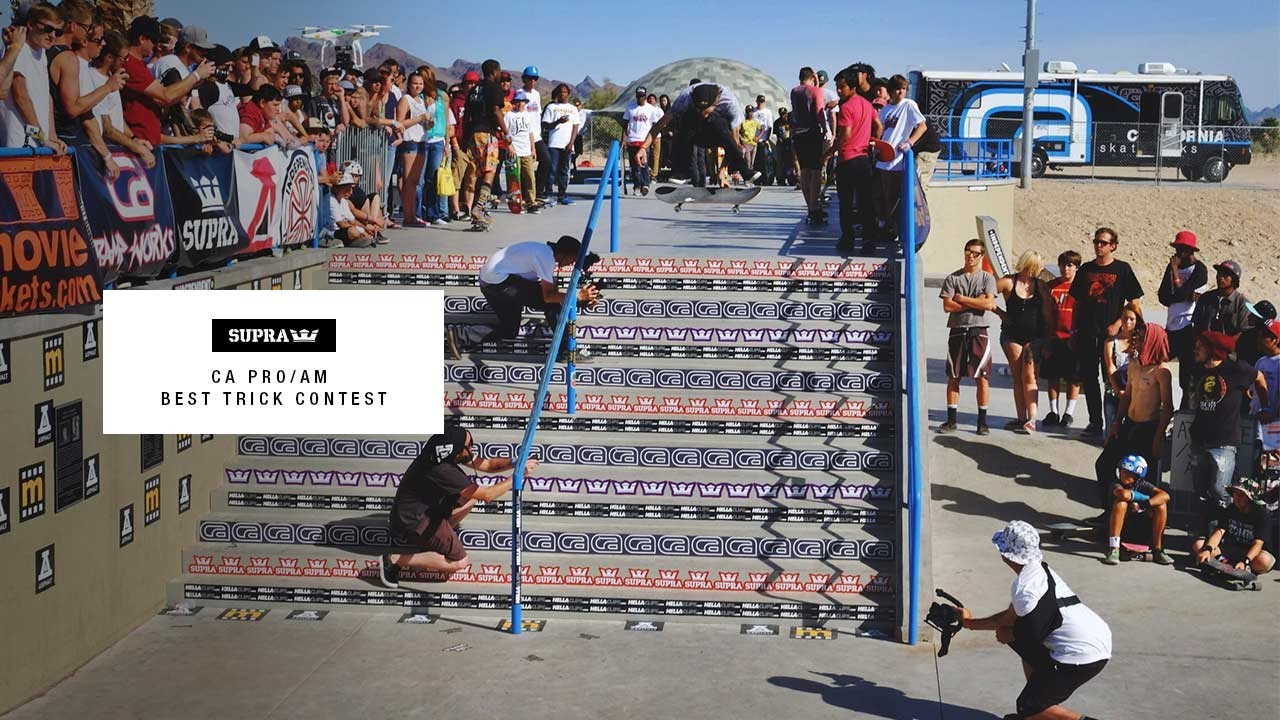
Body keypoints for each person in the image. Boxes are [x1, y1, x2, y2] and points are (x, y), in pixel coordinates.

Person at [961, 521, 1111, 720]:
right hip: (1099, 637)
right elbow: (1007, 619)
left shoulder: (1025, 588)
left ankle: (1036, 712)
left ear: (1006, 555)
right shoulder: (1040, 570)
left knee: (1028, 706)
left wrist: (1008, 633)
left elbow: (1021, 630)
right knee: (1017, 642)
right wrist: (969, 623)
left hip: (1082, 655)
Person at [379, 426, 538, 587]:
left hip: (420, 508)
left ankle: (435, 539)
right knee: (460, 562)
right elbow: (488, 495)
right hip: (413, 521)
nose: (472, 448)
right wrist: (519, 475)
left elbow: (489, 465)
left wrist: (515, 462)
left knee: (469, 498)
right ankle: (394, 560)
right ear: (457, 450)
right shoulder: (442, 470)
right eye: (469, 445)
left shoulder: (442, 452)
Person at [1092, 323, 1173, 526]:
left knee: (1142, 479)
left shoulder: (1162, 372)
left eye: (1143, 336)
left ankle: (1141, 522)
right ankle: (1110, 511)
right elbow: (1127, 397)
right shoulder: (1134, 365)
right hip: (1129, 424)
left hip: (1148, 429)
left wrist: (1158, 437)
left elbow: (1167, 407)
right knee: (1104, 465)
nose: (1137, 338)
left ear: (1153, 340)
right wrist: (1117, 422)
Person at [1069, 227, 1144, 436]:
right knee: (1089, 378)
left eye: (1103, 242)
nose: (1098, 246)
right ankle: (1095, 422)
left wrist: (1119, 324)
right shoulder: (1085, 270)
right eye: (1096, 242)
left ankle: (1114, 422)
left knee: (1112, 378)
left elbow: (1135, 301)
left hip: (1111, 334)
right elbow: (1076, 302)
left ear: (1113, 246)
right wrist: (1074, 330)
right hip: (1086, 332)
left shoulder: (1122, 269)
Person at [1188, 331, 1269, 515]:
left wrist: (1264, 406)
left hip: (1224, 441)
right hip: (1199, 437)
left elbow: (1259, 378)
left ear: (1212, 349)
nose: (1196, 349)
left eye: (1200, 346)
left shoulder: (1236, 369)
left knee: (1220, 489)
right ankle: (1203, 527)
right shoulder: (1199, 369)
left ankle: (1224, 527)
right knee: (1200, 488)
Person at [476, 236, 600, 352]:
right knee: (552, 304)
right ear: (564, 254)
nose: (571, 264)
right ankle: (567, 348)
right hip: (499, 283)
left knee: (509, 330)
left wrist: (579, 302)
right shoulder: (546, 257)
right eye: (573, 259)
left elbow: (547, 290)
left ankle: (460, 335)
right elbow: (548, 297)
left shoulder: (542, 252)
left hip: (489, 284)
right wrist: (578, 297)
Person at [639, 81, 759, 187]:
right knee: (686, 118)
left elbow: (733, 143)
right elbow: (659, 125)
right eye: (700, 110)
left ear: (716, 102)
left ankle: (746, 171)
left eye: (706, 111)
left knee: (720, 123)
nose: (703, 114)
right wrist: (643, 147)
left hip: (719, 133)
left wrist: (722, 170)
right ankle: (684, 172)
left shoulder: (730, 103)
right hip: (697, 134)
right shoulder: (685, 98)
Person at [120, 16, 213, 148]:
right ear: (141, 39)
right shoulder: (132, 64)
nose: (156, 44)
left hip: (150, 142)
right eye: (153, 40)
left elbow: (162, 101)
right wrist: (196, 76)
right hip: (139, 144)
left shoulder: (139, 65)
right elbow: (166, 96)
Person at [940, 239, 998, 435]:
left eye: (974, 253)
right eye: (967, 252)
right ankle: (951, 420)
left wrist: (962, 299)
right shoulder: (953, 278)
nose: (970, 256)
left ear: (982, 256)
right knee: (953, 376)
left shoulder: (987, 279)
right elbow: (948, 306)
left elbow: (989, 304)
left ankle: (982, 422)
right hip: (957, 330)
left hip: (978, 331)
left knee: (981, 377)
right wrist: (976, 302)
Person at [822, 67, 880, 255]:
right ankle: (868, 242)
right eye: (837, 87)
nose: (839, 90)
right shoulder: (866, 104)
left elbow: (845, 134)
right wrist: (872, 142)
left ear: (852, 87)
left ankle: (847, 240)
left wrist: (830, 152)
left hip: (847, 161)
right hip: (863, 160)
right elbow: (878, 125)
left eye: (842, 87)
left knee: (846, 204)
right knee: (866, 204)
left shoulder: (846, 108)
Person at [995, 251, 1054, 434]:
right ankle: (1021, 417)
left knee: (1029, 377)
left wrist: (1047, 339)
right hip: (1012, 335)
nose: (1037, 271)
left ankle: (1032, 418)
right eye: (1035, 267)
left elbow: (1048, 315)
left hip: (1035, 338)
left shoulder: (1041, 286)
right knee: (1017, 376)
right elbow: (987, 296)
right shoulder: (1008, 282)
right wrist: (1001, 314)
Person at [1, 4, 64, 152]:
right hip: (19, 144)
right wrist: (43, 138)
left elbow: (46, 96)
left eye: (58, 32)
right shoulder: (19, 49)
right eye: (48, 29)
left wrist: (52, 136)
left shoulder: (41, 52)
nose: (53, 36)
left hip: (40, 143)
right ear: (30, 24)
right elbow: (21, 98)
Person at [875, 75, 928, 244]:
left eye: (903, 88)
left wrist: (910, 142)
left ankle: (894, 230)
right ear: (890, 91)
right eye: (897, 88)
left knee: (896, 198)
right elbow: (881, 132)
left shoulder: (909, 105)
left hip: (898, 162)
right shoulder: (885, 110)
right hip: (884, 160)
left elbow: (922, 125)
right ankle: (885, 226)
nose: (901, 92)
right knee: (883, 196)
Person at [1157, 230, 1208, 395]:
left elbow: (1181, 292)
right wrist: (1182, 294)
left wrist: (1175, 271)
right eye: (1177, 248)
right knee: (1158, 362)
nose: (1178, 253)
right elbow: (1163, 296)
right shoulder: (1171, 268)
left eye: (1182, 249)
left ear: (1190, 250)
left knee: (1187, 373)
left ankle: (1186, 409)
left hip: (1189, 325)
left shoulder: (1199, 269)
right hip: (1172, 325)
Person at [1192, 477, 1276, 577]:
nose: (1236, 497)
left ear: (1250, 498)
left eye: (1241, 495)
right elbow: (1219, 532)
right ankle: (1225, 562)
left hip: (1251, 553)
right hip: (1231, 549)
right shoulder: (1231, 509)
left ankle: (1244, 567)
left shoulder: (1262, 515)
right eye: (1235, 494)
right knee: (1199, 545)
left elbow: (1258, 544)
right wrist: (1208, 549)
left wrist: (1245, 561)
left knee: (1264, 561)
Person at [1102, 454, 1173, 565]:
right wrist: (1146, 498)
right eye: (1123, 471)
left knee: (1161, 505)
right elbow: (1124, 494)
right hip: (1122, 529)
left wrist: (1144, 505)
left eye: (1129, 473)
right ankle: (1114, 549)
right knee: (1121, 503)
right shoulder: (1115, 484)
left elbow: (1165, 496)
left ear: (1137, 476)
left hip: (1141, 529)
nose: (1124, 475)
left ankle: (1157, 550)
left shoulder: (1143, 484)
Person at [464, 59, 508, 224]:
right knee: (490, 171)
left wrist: (465, 137)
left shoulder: (475, 89)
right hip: (487, 134)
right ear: (494, 71)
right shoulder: (494, 88)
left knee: (478, 173)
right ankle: (479, 207)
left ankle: (478, 212)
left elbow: (466, 115)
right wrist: (506, 132)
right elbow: (496, 111)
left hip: (473, 135)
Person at [1042, 251, 1082, 427]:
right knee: (1053, 377)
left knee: (1073, 378)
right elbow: (1044, 314)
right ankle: (1053, 412)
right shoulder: (1050, 287)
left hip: (1073, 339)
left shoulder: (1082, 288)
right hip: (1054, 338)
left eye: (1070, 265)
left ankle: (1068, 413)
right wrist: (1045, 339)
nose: (1066, 269)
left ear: (1076, 267)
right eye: (1063, 265)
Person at [788, 68, 828, 223]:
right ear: (812, 78)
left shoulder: (794, 91)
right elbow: (819, 111)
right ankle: (814, 207)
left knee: (804, 170)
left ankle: (810, 207)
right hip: (812, 132)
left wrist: (814, 82)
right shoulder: (816, 91)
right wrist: (825, 129)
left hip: (798, 134)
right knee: (815, 171)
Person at [394, 72, 434, 227]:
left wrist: (428, 122)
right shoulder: (406, 100)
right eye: (415, 83)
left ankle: (412, 215)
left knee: (415, 181)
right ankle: (408, 216)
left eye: (421, 84)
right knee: (409, 180)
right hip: (410, 141)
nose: (418, 86)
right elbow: (400, 123)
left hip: (422, 140)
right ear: (409, 84)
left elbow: (425, 122)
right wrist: (420, 118)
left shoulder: (422, 101)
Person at [1189, 259, 1252, 341]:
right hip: (1205, 349)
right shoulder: (1205, 298)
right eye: (1219, 273)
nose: (1220, 277)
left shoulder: (1242, 303)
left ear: (1234, 280)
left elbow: (1243, 333)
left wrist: (1224, 345)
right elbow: (1196, 326)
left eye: (1225, 275)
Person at [419, 66, 451, 225]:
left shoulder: (441, 96)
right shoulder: (417, 96)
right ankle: (418, 213)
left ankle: (433, 213)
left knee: (433, 178)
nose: (421, 81)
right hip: (421, 140)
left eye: (423, 78)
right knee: (420, 180)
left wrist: (447, 143)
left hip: (437, 139)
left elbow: (446, 120)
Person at [1101, 306, 1140, 430]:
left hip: (1135, 392)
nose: (1128, 322)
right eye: (1125, 318)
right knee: (1111, 428)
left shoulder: (1140, 342)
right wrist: (1118, 391)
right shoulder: (1110, 342)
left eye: (1132, 319)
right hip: (1114, 390)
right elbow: (1110, 367)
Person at [541, 83, 579, 206]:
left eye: (565, 91)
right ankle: (549, 194)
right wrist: (558, 121)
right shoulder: (551, 107)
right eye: (560, 91)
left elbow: (575, 127)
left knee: (564, 170)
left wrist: (571, 143)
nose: (563, 94)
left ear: (568, 93)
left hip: (567, 144)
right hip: (554, 143)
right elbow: (545, 125)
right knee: (552, 169)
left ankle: (562, 195)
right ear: (557, 93)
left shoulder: (573, 109)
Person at [519, 66, 552, 203]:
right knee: (525, 166)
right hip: (524, 136)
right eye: (530, 78)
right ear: (524, 79)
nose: (532, 81)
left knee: (546, 160)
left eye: (535, 78)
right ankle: (523, 193)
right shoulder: (520, 93)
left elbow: (537, 114)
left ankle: (538, 191)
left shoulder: (536, 94)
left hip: (536, 135)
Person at [622, 86, 662, 195]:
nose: (640, 98)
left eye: (642, 96)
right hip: (632, 140)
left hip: (645, 141)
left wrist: (654, 139)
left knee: (644, 163)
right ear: (636, 96)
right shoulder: (630, 108)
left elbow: (655, 126)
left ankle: (645, 184)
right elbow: (625, 124)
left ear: (645, 96)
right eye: (638, 96)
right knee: (634, 165)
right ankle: (637, 185)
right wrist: (624, 139)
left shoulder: (651, 109)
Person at [504, 90, 538, 212]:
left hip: (526, 151)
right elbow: (505, 133)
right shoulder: (508, 116)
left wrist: (533, 149)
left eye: (522, 102)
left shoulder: (528, 116)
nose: (520, 104)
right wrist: (509, 147)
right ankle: (515, 202)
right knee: (514, 179)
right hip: (514, 151)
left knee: (530, 177)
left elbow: (531, 134)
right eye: (517, 102)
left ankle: (531, 202)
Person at [328, 172, 375, 247]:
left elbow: (353, 221)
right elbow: (341, 224)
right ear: (338, 188)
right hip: (332, 231)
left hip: (343, 229)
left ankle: (358, 239)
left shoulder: (343, 201)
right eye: (347, 189)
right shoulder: (331, 200)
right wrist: (361, 230)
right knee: (354, 232)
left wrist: (366, 229)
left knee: (365, 229)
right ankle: (350, 242)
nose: (350, 192)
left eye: (351, 189)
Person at [1236, 301, 1277, 367]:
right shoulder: (1247, 334)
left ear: (1259, 319)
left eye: (1253, 315)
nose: (1248, 316)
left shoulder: (1247, 335)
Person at [739, 106, 760, 178]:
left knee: (752, 162)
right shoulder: (743, 122)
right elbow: (738, 131)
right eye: (748, 112)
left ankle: (751, 177)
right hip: (746, 143)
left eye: (751, 112)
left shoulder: (755, 122)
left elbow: (761, 129)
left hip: (754, 143)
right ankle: (747, 177)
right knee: (747, 161)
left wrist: (758, 137)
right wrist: (741, 139)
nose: (750, 113)